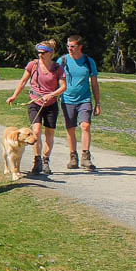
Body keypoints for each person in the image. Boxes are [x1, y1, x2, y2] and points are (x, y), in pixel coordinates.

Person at [6, 40, 66, 176]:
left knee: (49, 133)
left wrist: (51, 95)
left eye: (43, 52)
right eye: (38, 52)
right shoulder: (32, 65)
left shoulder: (57, 68)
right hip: (35, 101)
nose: (40, 55)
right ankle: (37, 159)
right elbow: (23, 81)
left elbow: (63, 87)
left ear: (50, 53)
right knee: (36, 131)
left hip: (50, 104)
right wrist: (14, 96)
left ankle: (46, 160)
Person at [58, 35, 101, 170]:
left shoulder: (89, 61)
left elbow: (94, 83)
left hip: (84, 99)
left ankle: (85, 156)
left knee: (85, 126)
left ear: (80, 47)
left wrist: (97, 103)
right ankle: (73, 157)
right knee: (70, 129)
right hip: (67, 99)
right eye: (68, 46)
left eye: (73, 46)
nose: (70, 49)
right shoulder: (62, 61)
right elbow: (55, 78)